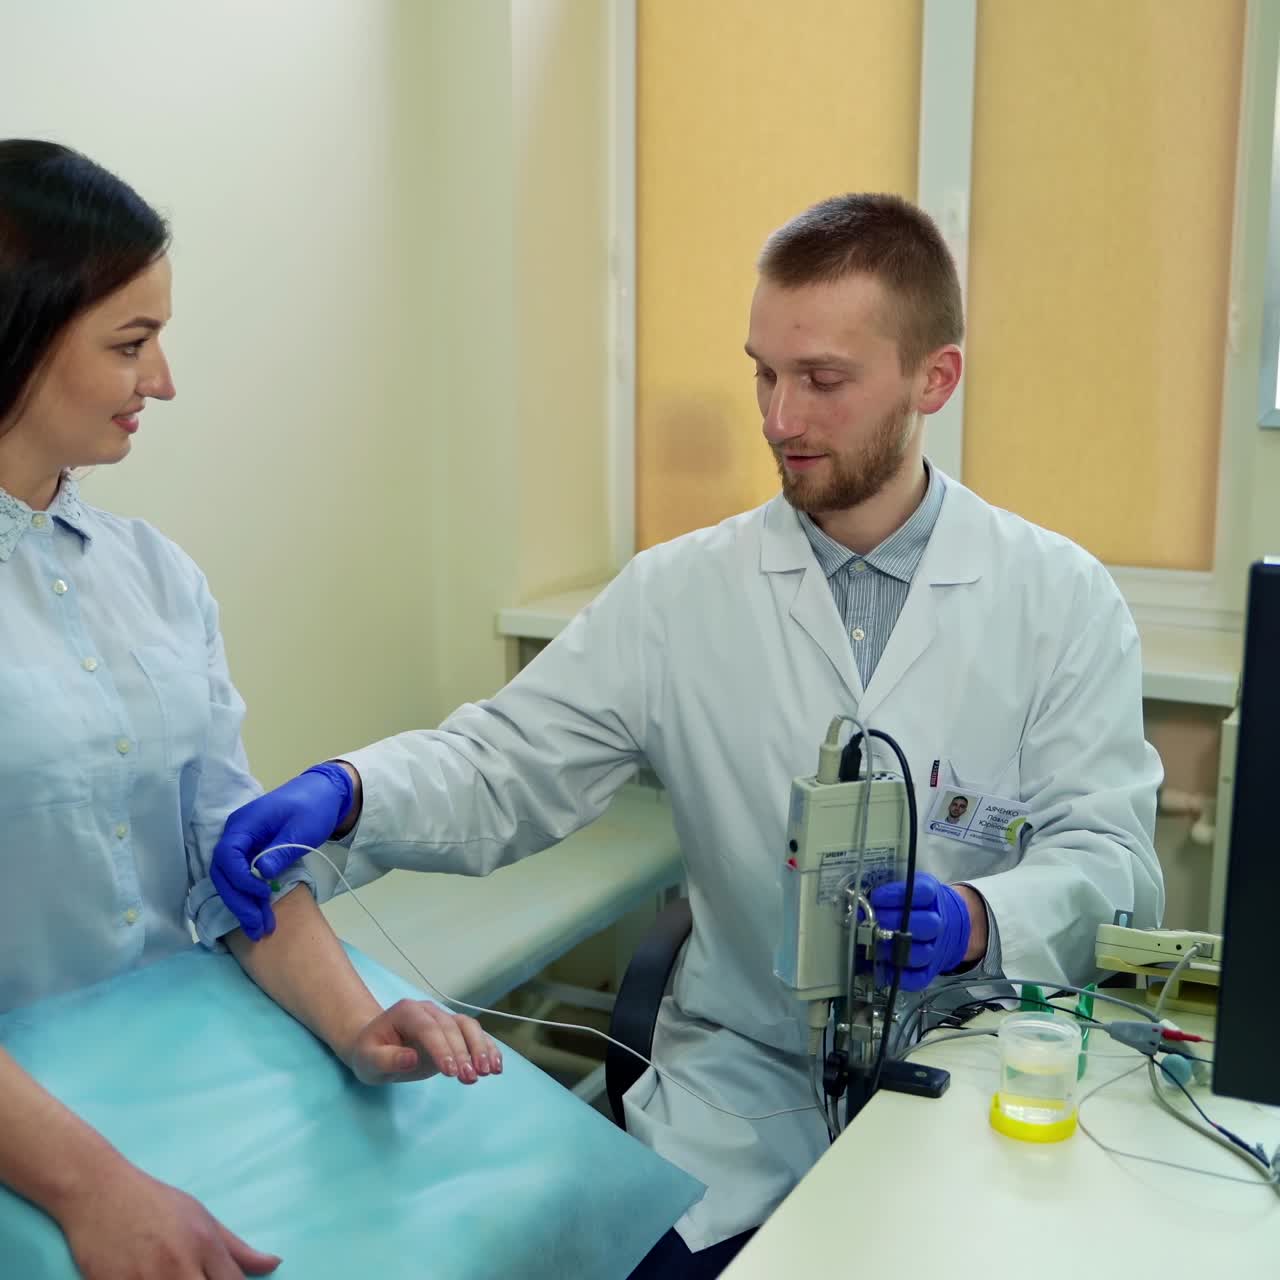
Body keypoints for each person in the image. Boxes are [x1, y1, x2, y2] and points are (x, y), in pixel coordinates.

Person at [212, 192, 1164, 1278]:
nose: (778, 417)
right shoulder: (679, 592)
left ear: (932, 380)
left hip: (977, 1077)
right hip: (739, 1093)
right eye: (763, 371)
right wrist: (349, 790)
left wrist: (981, 918)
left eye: (821, 380)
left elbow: (1118, 869)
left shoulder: (1056, 598)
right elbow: (504, 764)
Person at [0, 140, 500, 1280]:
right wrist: (95, 1188)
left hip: (181, 1082)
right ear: (14, 336)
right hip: (42, 1149)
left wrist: (356, 1022)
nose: (165, 380)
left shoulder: (158, 577)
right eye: (131, 344)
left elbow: (232, 868)